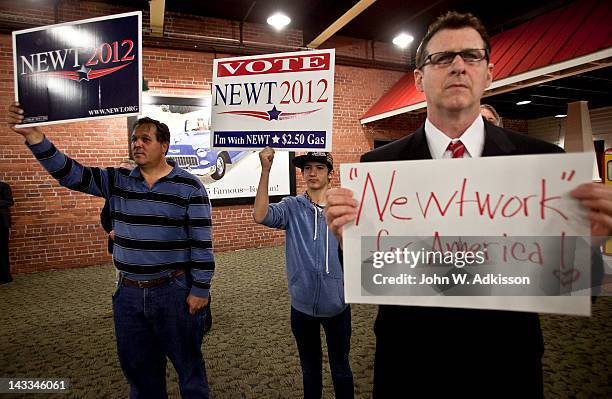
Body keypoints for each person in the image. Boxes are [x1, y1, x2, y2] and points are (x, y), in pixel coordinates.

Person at [324, 11, 612, 399]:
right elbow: (366, 276)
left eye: (471, 57)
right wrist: (347, 239)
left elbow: (580, 285)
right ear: (419, 79)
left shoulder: (541, 162)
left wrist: (589, 243)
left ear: (489, 73)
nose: (458, 65)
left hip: (505, 364)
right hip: (410, 363)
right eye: (442, 58)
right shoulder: (378, 168)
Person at [8, 105, 214, 399]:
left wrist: (201, 289)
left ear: (164, 146)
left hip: (173, 291)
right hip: (128, 294)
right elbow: (70, 174)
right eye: (134, 139)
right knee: (140, 372)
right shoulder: (117, 180)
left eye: (145, 139)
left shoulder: (188, 186)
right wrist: (35, 136)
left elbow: (202, 241)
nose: (137, 144)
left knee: (189, 368)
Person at [253, 148, 354, 399]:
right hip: (302, 306)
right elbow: (260, 215)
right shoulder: (292, 207)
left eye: (319, 168)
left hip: (338, 305)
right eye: (307, 168)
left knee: (340, 369)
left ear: (330, 174)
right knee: (310, 370)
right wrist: (265, 171)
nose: (312, 173)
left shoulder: (343, 208)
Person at [0, 180, 14, 284]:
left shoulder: (4, 186)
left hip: (1, 222)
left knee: (2, 249)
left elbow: (10, 201)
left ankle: (5, 277)